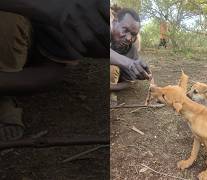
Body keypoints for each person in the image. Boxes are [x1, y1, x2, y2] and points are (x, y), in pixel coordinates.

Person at [0, 0, 150, 141]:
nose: (129, 38)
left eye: (134, 35)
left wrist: (128, 70)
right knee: (8, 21)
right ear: (115, 22)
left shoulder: (87, 25)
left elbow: (52, 72)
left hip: (32, 50)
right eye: (125, 30)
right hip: (18, 30)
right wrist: (54, 9)